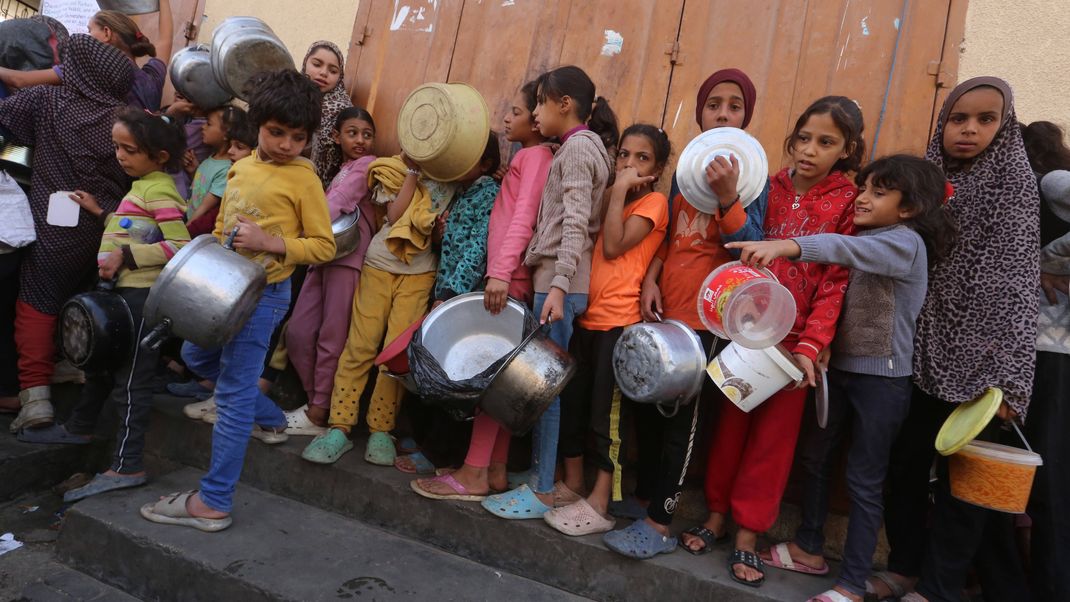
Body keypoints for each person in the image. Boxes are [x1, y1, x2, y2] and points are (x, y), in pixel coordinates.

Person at [727, 155, 955, 602]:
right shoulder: (875, 234)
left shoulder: (904, 242)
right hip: (842, 370)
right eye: (864, 187)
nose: (863, 197)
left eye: (878, 192)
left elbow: (844, 250)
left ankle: (851, 585)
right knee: (816, 459)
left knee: (863, 481)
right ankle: (810, 546)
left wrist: (788, 246)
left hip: (883, 382)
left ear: (908, 208)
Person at [139, 69, 335, 532]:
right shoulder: (241, 168)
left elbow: (325, 246)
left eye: (298, 137)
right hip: (222, 290)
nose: (287, 145)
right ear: (257, 127)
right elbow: (223, 225)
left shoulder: (304, 179)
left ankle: (213, 501)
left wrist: (271, 243)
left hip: (264, 294)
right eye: (276, 133)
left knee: (230, 395)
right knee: (193, 356)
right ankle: (271, 421)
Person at [697, 96, 865, 588]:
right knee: (729, 426)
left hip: (796, 348)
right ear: (791, 141)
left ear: (847, 149)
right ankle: (714, 515)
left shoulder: (849, 202)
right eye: (804, 139)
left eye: (826, 142)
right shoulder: (766, 186)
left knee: (774, 442)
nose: (810, 151)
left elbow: (837, 279)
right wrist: (731, 200)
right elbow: (742, 243)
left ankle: (749, 532)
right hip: (748, 330)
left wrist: (812, 345)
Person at [884, 78, 1038, 602]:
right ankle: (904, 566)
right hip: (920, 348)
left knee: (963, 483)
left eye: (985, 119)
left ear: (1004, 125)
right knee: (903, 463)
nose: (969, 129)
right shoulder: (924, 181)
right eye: (958, 118)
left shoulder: (1015, 186)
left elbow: (1017, 286)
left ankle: (939, 587)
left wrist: (1008, 378)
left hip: (983, 360)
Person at [20, 110, 189, 501]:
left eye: (129, 149)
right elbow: (137, 227)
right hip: (121, 294)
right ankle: (80, 426)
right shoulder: (142, 185)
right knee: (98, 368)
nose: (119, 156)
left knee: (131, 382)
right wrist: (102, 214)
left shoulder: (160, 189)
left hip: (140, 298)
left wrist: (127, 258)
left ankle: (128, 465)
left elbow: (180, 245)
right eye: (117, 147)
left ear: (160, 156)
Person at [631, 68, 767, 547]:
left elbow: (752, 247)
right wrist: (651, 279)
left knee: (683, 426)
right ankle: (643, 498)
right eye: (714, 104)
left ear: (746, 115)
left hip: (709, 321)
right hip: (667, 310)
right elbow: (669, 237)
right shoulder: (687, 171)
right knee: (649, 408)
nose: (723, 113)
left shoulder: (754, 177)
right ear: (701, 111)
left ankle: (660, 519)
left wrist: (730, 195)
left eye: (734, 105)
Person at [482, 65, 617, 519]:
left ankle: (541, 489)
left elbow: (576, 223)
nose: (535, 112)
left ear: (564, 105)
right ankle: (542, 478)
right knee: (549, 384)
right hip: (558, 283)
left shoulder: (577, 150)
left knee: (546, 388)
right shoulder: (579, 148)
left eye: (540, 102)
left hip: (559, 286)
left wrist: (557, 286)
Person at [403, 80, 551, 489]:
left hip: (507, 280)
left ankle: (473, 473)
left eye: (518, 112)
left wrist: (499, 272)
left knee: (492, 382)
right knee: (502, 379)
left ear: (538, 121)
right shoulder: (526, 158)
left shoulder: (535, 157)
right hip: (505, 278)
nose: (509, 117)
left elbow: (522, 219)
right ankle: (494, 470)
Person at [299, 137, 465, 466]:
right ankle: (340, 426)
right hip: (378, 266)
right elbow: (394, 215)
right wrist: (413, 173)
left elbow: (433, 240)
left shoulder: (454, 183)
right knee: (359, 346)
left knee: (394, 355)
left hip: (419, 275)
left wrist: (438, 232)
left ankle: (381, 429)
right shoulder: (394, 171)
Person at [538, 124, 668, 542]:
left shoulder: (653, 202)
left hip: (619, 324)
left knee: (605, 421)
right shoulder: (610, 198)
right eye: (624, 156)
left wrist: (617, 192)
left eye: (642, 158)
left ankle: (601, 502)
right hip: (586, 319)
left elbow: (613, 246)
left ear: (659, 168)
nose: (629, 165)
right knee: (574, 406)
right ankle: (573, 484)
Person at [0, 34, 135, 433]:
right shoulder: (128, 119)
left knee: (37, 304)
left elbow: (6, 123)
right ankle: (73, 369)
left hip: (54, 228)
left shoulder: (50, 102)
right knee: (85, 301)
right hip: (108, 229)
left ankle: (35, 396)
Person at [284, 107, 378, 435]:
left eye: (367, 134)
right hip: (321, 257)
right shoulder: (341, 169)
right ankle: (316, 402)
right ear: (336, 137)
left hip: (347, 259)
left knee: (332, 335)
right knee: (297, 331)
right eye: (352, 133)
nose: (361, 140)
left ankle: (320, 409)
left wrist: (294, 228)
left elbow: (337, 202)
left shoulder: (366, 166)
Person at [1020, 120, 1070, 602]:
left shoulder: (1051, 183)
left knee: (1048, 478)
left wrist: (1048, 260)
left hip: (1049, 353)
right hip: (1039, 350)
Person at [0, 4, 173, 111]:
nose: (86, 36)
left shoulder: (88, 71)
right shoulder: (152, 79)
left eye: (90, 30)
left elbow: (19, 80)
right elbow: (165, 39)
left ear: (106, 33)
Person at [302, 40, 353, 188]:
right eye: (317, 65)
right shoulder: (287, 96)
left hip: (321, 190)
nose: (323, 73)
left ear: (340, 76)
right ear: (305, 63)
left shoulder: (343, 110)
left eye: (333, 71)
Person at [183, 106, 233, 234]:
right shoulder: (211, 158)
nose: (203, 127)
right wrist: (194, 170)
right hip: (190, 219)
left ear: (226, 133)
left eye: (209, 124)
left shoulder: (226, 169)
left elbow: (206, 207)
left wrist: (185, 231)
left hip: (197, 228)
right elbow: (202, 187)